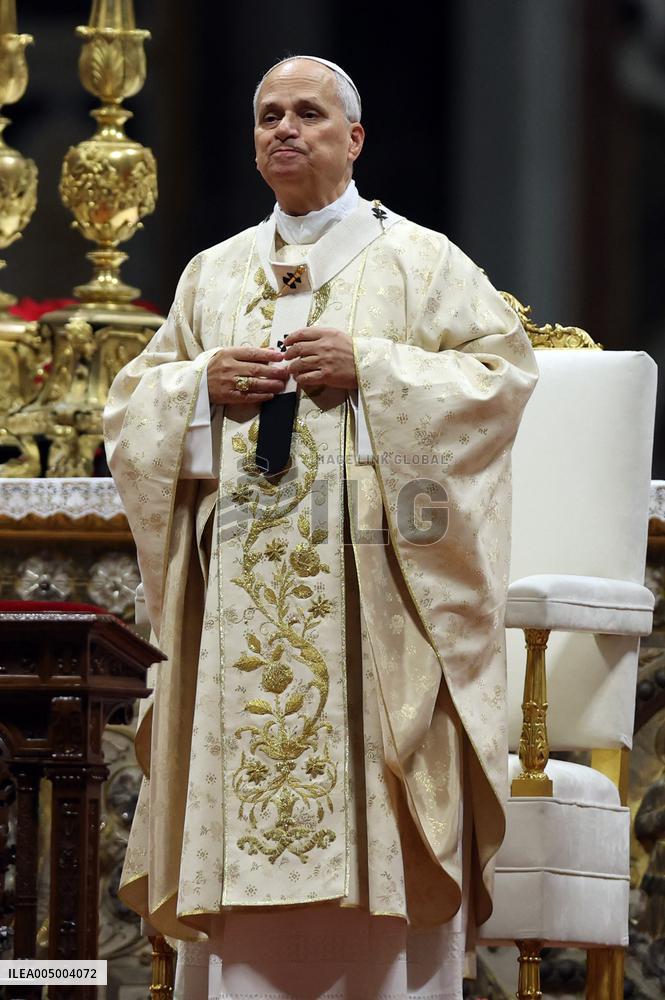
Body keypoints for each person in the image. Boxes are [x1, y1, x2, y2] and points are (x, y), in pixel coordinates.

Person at [104, 54, 538, 1000]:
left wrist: (371, 369)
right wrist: (200, 389)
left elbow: (500, 381)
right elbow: (130, 407)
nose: (285, 130)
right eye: (269, 115)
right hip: (237, 608)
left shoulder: (422, 263)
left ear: (355, 137)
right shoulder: (214, 273)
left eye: (308, 113)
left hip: (374, 594)